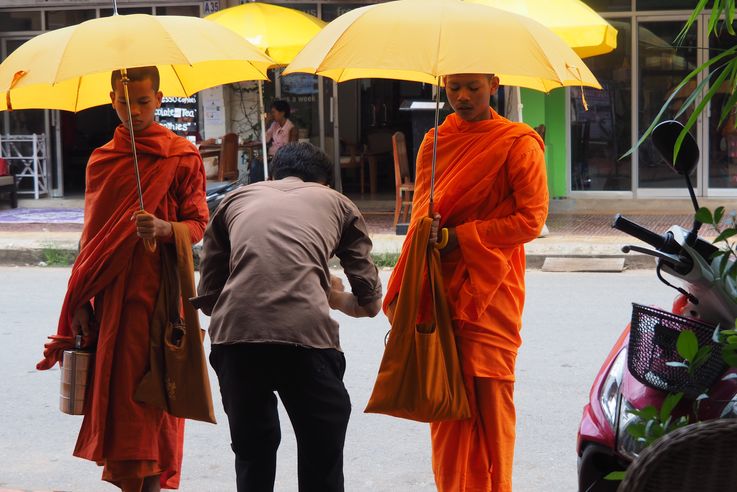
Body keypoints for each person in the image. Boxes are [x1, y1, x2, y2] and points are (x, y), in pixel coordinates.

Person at [36, 66, 209, 491]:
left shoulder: (180, 155)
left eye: (143, 102)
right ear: (112, 99)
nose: (133, 111)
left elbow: (199, 224)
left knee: (158, 397)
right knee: (123, 402)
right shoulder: (103, 160)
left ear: (160, 99)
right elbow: (91, 241)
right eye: (124, 102)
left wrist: (166, 229)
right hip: (114, 301)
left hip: (162, 299)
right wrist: (79, 300)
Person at [384, 73, 548, 492]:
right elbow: (421, 211)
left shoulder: (518, 142)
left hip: (492, 290)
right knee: (447, 405)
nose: (461, 97)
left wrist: (462, 236)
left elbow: (531, 220)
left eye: (472, 87)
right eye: (453, 86)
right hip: (441, 290)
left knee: (492, 402)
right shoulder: (433, 144)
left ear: (493, 84)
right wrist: (429, 228)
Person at [196, 141, 382, 492]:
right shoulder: (337, 203)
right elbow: (370, 302)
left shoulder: (235, 199)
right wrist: (335, 296)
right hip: (306, 341)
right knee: (321, 458)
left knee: (253, 454)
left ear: (274, 176)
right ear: (324, 183)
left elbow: (208, 299)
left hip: (235, 340)